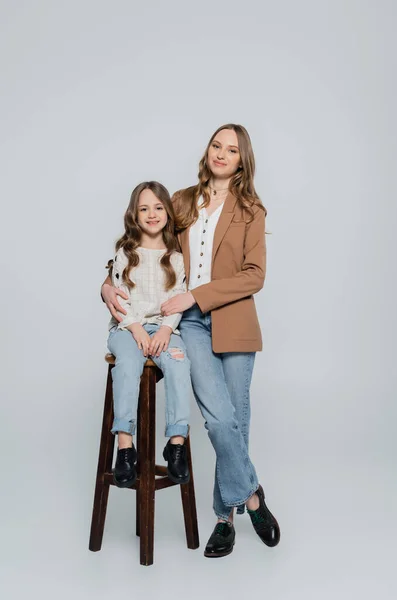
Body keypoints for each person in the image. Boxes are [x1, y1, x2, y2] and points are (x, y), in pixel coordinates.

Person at [102, 125, 280, 558]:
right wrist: (105, 286)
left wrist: (196, 294)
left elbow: (255, 275)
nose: (221, 153)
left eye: (232, 149)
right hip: (189, 325)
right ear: (208, 151)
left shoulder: (252, 210)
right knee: (218, 419)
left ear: (242, 160)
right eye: (216, 145)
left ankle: (225, 518)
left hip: (234, 321)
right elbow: (143, 246)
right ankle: (252, 495)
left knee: (235, 419)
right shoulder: (181, 200)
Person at [106, 181, 192, 489]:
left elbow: (180, 296)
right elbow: (117, 297)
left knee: (180, 363)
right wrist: (136, 327)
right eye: (144, 209)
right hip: (127, 329)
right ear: (134, 214)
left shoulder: (177, 257)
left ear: (167, 212)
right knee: (127, 365)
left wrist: (167, 328)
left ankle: (177, 442)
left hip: (164, 329)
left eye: (158, 208)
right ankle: (125, 446)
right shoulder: (125, 254)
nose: (151, 214)